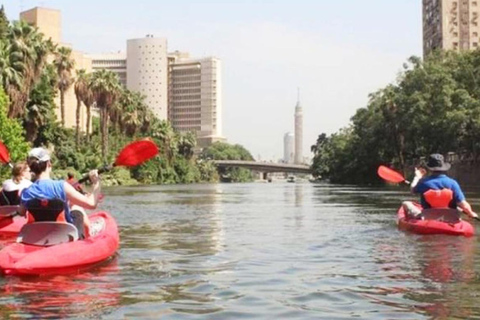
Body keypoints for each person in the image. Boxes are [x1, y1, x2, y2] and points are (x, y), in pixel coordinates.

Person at [18, 147, 102, 239]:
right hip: (65, 236)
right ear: (49, 164)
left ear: (32, 168)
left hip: (38, 236)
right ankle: (89, 232)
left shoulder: (26, 192)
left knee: (71, 206)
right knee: (77, 208)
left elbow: (21, 212)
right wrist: (96, 183)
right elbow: (92, 204)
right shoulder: (62, 186)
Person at [402, 153, 478, 220]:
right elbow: (463, 204)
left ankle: (410, 221)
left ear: (430, 168)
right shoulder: (453, 183)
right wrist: (471, 213)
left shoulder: (424, 182)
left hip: (428, 217)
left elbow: (412, 189)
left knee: (406, 203)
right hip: (451, 218)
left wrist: (417, 177)